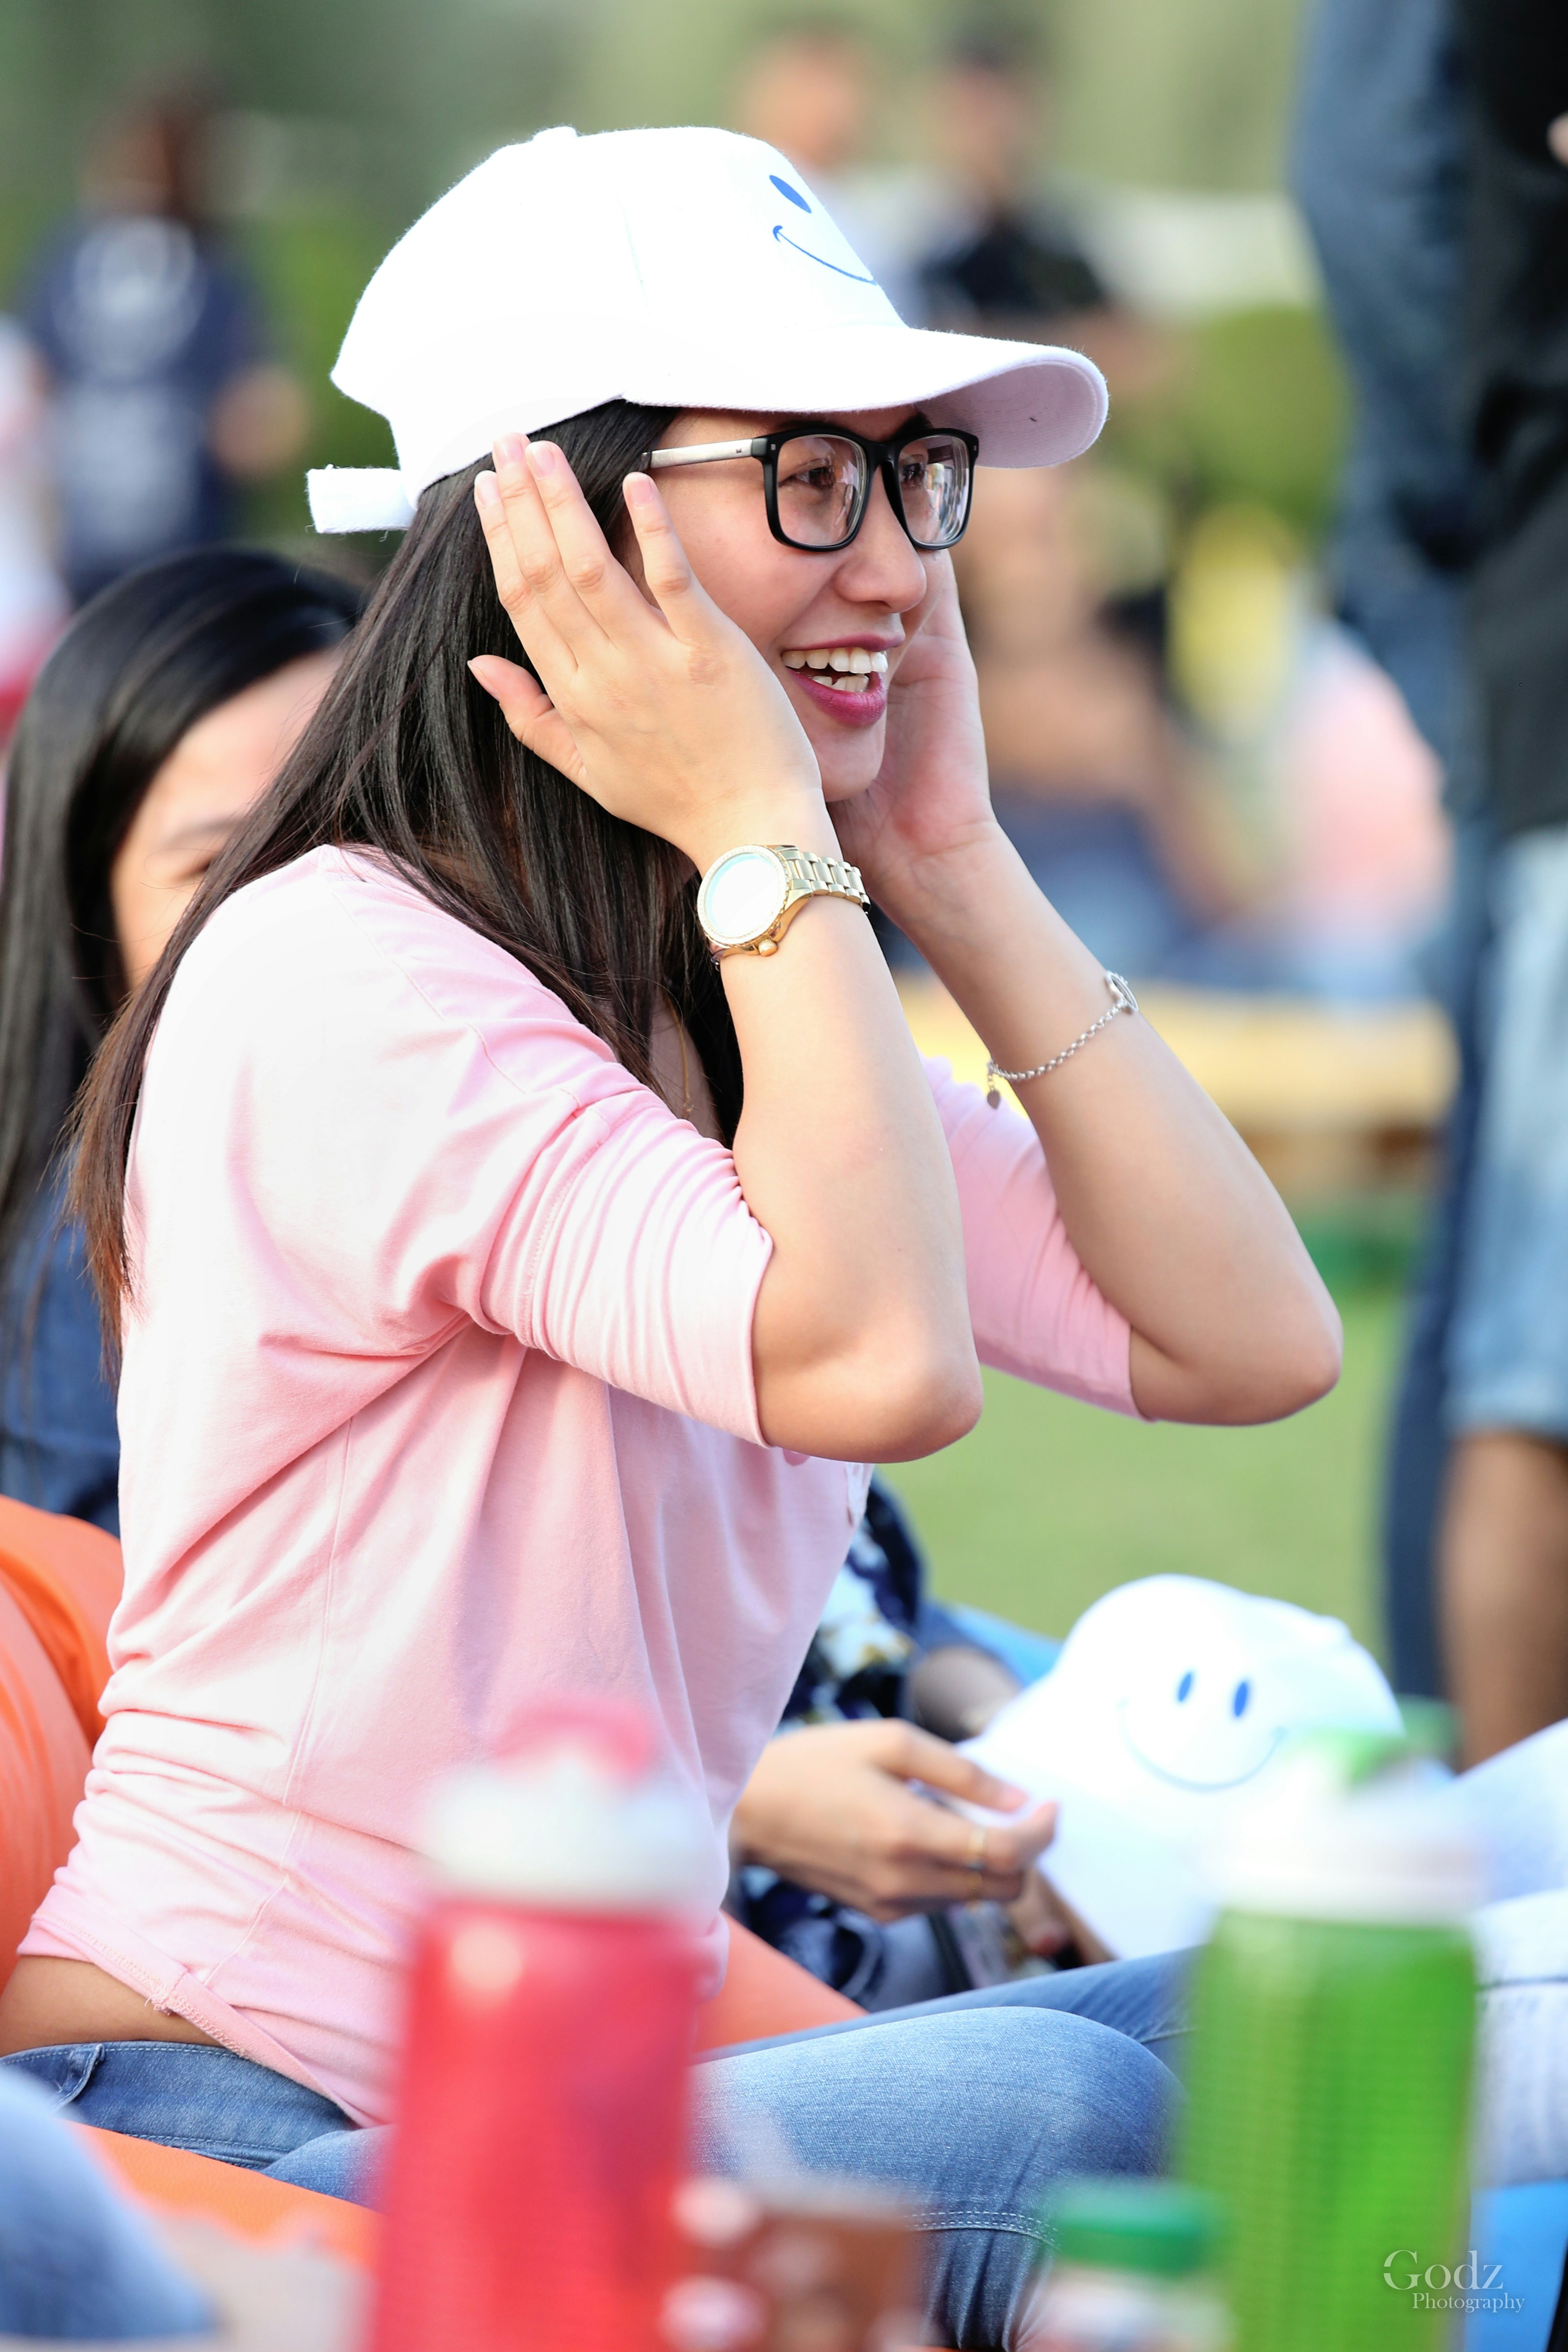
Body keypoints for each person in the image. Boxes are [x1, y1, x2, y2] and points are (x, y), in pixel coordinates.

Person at [0, 127, 1339, 2349]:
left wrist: (957, 855)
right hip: (238, 2117)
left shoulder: (709, 1009)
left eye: (924, 483)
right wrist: (760, 828)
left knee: (1282, 2012)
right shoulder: (343, 971)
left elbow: (1245, 1336)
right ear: (555, 514)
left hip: (575, 2076)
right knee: (1068, 2112)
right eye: (814, 475)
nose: (902, 562)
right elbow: (877, 1362)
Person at [0, 550, 363, 1532]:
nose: (313, 905)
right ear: (88, 911)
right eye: (224, 866)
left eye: (355, 833)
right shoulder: (103, 1249)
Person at [21, 92, 308, 608]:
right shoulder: (217, 270)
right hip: (147, 562)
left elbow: (263, 421)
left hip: (149, 556)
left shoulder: (74, 261)